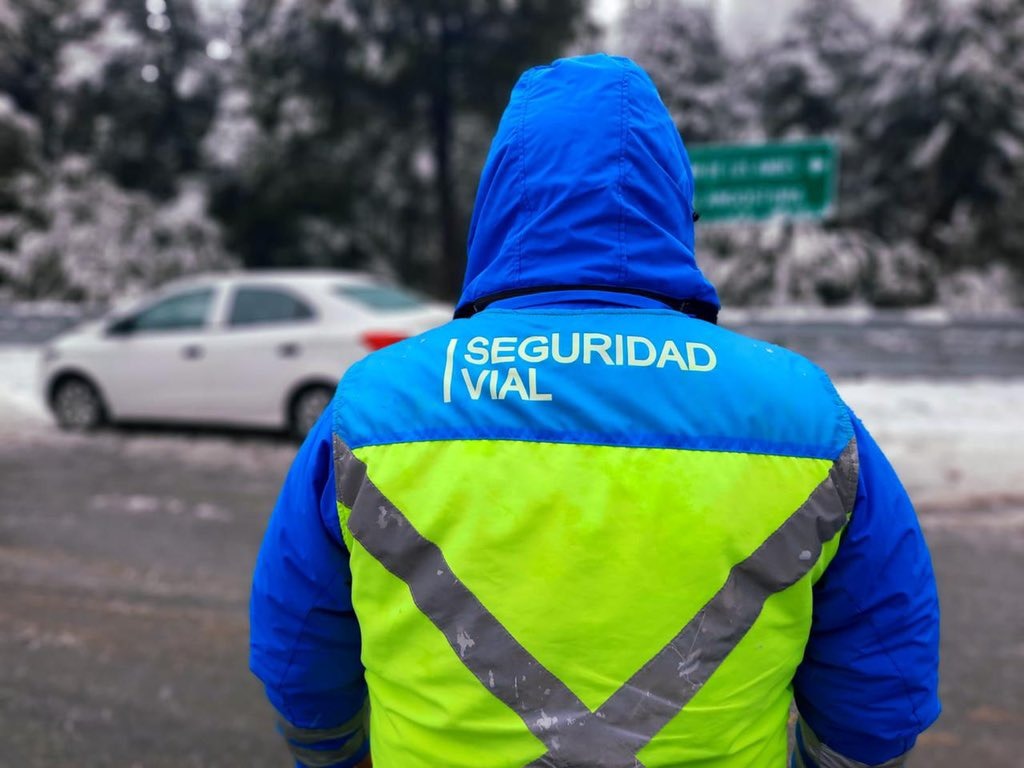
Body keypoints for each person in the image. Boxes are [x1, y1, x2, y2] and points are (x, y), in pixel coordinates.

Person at [250, 54, 940, 768]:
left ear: (498, 209)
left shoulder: (373, 408)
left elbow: (297, 649)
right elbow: (883, 680)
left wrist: (333, 757)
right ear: (675, 207)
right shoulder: (803, 413)